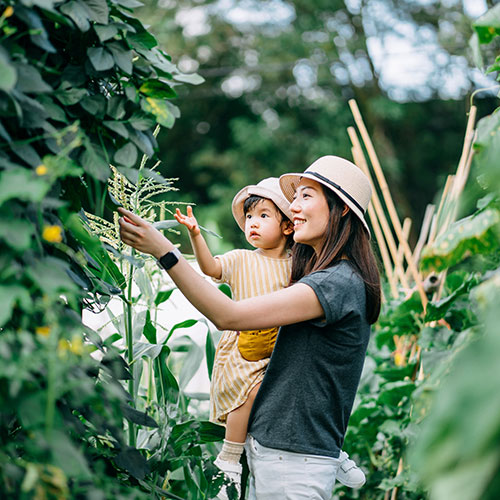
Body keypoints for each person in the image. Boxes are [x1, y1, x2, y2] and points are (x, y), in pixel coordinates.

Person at [118, 155, 381, 499]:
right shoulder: (321, 276)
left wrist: (165, 251)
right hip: (279, 453)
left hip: (294, 463)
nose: (294, 207)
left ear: (342, 208)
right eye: (295, 197)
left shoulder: (336, 283)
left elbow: (229, 315)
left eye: (306, 196)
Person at [174, 178, 294, 495]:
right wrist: (196, 235)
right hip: (245, 349)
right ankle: (229, 457)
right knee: (249, 393)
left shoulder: (298, 265)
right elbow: (211, 268)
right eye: (249, 217)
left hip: (283, 349)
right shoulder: (241, 259)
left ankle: (331, 450)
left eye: (263, 216)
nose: (252, 223)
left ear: (287, 227)